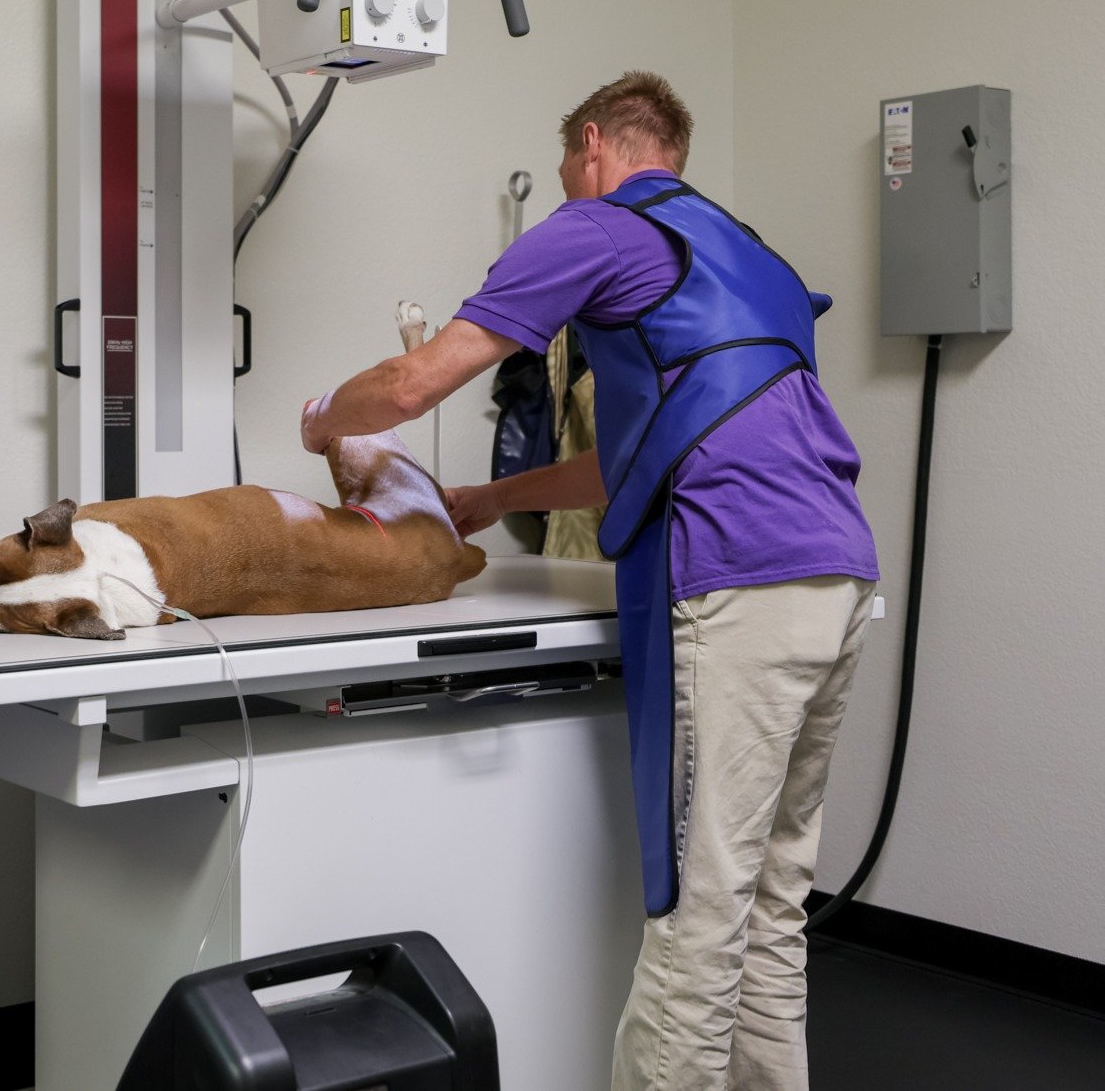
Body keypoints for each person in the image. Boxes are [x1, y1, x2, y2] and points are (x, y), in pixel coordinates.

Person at [301, 71, 879, 1090]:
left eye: (574, 168)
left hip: (735, 581)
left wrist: (325, 422)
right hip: (834, 578)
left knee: (697, 918)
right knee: (771, 902)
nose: (575, 186)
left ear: (592, 147)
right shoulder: (752, 257)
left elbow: (413, 382)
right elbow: (665, 438)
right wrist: (490, 498)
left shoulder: (597, 225)